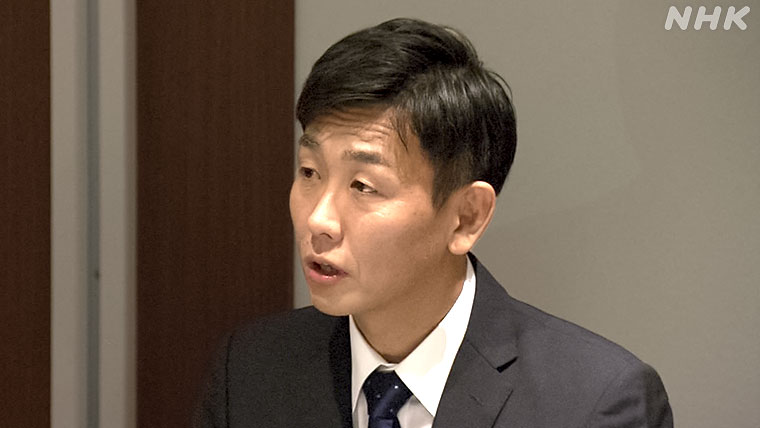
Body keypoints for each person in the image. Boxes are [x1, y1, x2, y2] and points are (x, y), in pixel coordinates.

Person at [194, 18, 672, 428]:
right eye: (309, 173)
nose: (318, 219)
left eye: (363, 186)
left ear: (466, 217)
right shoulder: (251, 370)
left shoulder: (594, 401)